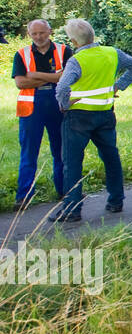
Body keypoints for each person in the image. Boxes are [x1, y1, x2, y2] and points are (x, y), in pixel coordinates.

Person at [51, 19, 132, 223]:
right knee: (111, 157)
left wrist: (64, 104)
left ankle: (72, 210)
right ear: (92, 35)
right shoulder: (112, 53)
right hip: (105, 113)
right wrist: (117, 86)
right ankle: (116, 201)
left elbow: (61, 88)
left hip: (78, 117)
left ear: (74, 42)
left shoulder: (77, 60)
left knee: (72, 162)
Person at [12, 19, 69, 208]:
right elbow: (20, 83)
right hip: (31, 108)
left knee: (61, 150)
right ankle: (24, 197)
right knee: (29, 152)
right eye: (34, 34)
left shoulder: (64, 50)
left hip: (59, 105)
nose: (38, 37)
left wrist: (35, 75)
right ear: (29, 34)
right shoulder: (21, 54)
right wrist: (54, 78)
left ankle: (65, 191)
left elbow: (68, 78)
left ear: (50, 32)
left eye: (42, 33)